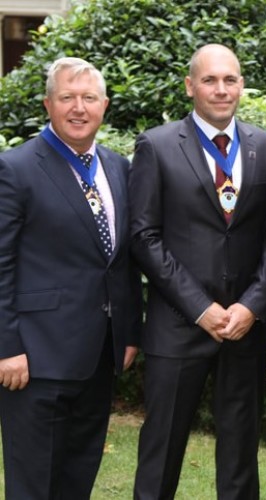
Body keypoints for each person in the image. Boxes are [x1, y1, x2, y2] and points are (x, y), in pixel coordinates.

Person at [129, 44, 266, 499]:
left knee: (240, 455)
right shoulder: (156, 146)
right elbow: (144, 237)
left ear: (241, 84)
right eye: (210, 80)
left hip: (243, 327)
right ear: (190, 86)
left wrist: (252, 306)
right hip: (179, 325)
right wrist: (201, 308)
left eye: (230, 79)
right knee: (161, 452)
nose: (221, 89)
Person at [0, 57, 140, 499]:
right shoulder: (16, 168)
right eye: (67, 98)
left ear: (105, 106)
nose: (78, 108)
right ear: (48, 104)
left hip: (99, 354)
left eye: (88, 98)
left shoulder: (119, 168)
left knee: (78, 476)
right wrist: (7, 349)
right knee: (33, 484)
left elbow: (124, 259)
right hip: (34, 358)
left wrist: (129, 331)